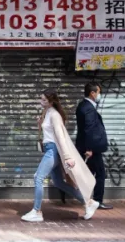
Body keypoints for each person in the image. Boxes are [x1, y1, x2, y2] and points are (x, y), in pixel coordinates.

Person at [21, 89, 100, 223]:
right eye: (41, 99)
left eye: (44, 100)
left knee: (38, 177)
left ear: (51, 101)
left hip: (53, 150)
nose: (41, 102)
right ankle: (89, 202)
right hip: (49, 149)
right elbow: (49, 132)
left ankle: (37, 211)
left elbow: (60, 136)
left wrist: (67, 156)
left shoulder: (54, 115)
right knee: (58, 182)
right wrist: (40, 124)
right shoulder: (46, 112)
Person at [76, 83, 112, 210]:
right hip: (91, 149)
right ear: (92, 93)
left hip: (87, 147)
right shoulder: (89, 108)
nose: (99, 95)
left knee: (89, 173)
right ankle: (97, 201)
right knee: (100, 173)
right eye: (98, 92)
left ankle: (88, 199)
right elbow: (89, 129)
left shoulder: (83, 105)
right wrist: (89, 149)